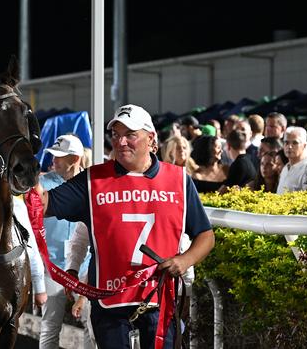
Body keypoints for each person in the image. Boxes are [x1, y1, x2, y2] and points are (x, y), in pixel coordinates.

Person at [31, 104, 215, 348]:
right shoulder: (92, 180)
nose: (121, 142)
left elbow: (205, 235)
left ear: (151, 139)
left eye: (130, 135)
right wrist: (25, 171)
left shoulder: (179, 180)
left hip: (158, 298)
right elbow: (43, 204)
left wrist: (185, 260)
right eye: (116, 135)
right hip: (109, 301)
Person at [38, 134, 89, 349]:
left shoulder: (89, 184)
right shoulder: (43, 183)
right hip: (52, 267)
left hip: (84, 267)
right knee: (50, 326)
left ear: (75, 159)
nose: (53, 160)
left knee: (92, 322)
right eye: (53, 155)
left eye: (59, 156)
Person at [276, 126, 307, 194]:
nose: (289, 146)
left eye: (295, 143)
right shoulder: (285, 168)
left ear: (304, 146)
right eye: (286, 142)